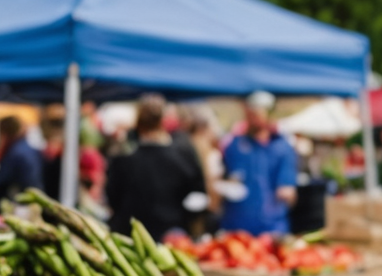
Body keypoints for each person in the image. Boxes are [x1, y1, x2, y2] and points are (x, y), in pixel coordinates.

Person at [105, 94, 203, 238]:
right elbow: (196, 197)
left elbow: (112, 198)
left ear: (138, 123)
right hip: (170, 236)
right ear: (163, 121)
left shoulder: (123, 161)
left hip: (130, 236)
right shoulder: (181, 160)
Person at [220, 92, 298, 234]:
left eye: (257, 115)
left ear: (269, 115)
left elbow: (287, 187)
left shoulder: (282, 147)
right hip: (235, 226)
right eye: (250, 115)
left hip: (272, 228)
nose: (252, 120)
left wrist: (287, 193)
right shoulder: (235, 145)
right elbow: (224, 176)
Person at [0, 113, 42, 211]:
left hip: (23, 205)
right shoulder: (26, 148)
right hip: (32, 202)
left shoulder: (15, 152)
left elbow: (1, 182)